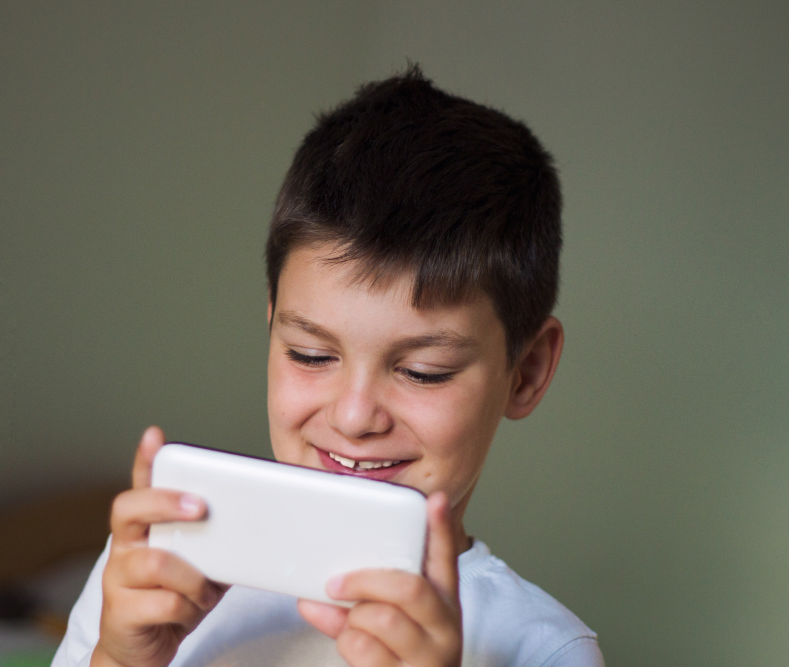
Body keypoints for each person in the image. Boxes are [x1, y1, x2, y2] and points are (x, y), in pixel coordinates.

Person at [52, 66, 604, 667]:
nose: (354, 416)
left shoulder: (545, 649)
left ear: (524, 373)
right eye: (311, 355)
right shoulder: (154, 573)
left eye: (424, 370)